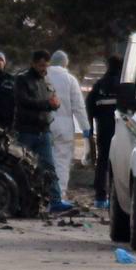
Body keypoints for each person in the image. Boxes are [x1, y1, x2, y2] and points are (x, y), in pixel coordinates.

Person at [14, 50, 72, 214]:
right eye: (40, 65)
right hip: (26, 130)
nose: (43, 68)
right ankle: (22, 202)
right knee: (24, 168)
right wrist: (47, 104)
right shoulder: (22, 79)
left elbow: (52, 99)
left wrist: (55, 104)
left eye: (45, 65)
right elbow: (23, 101)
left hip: (43, 130)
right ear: (33, 63)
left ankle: (55, 201)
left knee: (49, 167)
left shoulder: (46, 79)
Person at [47, 50, 89, 199]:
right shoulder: (70, 79)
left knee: (46, 160)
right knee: (62, 161)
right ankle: (59, 194)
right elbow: (78, 106)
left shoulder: (43, 76)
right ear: (65, 63)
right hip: (64, 126)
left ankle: (45, 192)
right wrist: (85, 128)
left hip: (45, 124)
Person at [87, 56, 123, 209]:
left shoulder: (100, 85)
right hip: (122, 130)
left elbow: (89, 106)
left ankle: (100, 197)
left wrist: (90, 128)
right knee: (121, 163)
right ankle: (119, 197)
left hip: (103, 129)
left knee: (102, 161)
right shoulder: (125, 85)